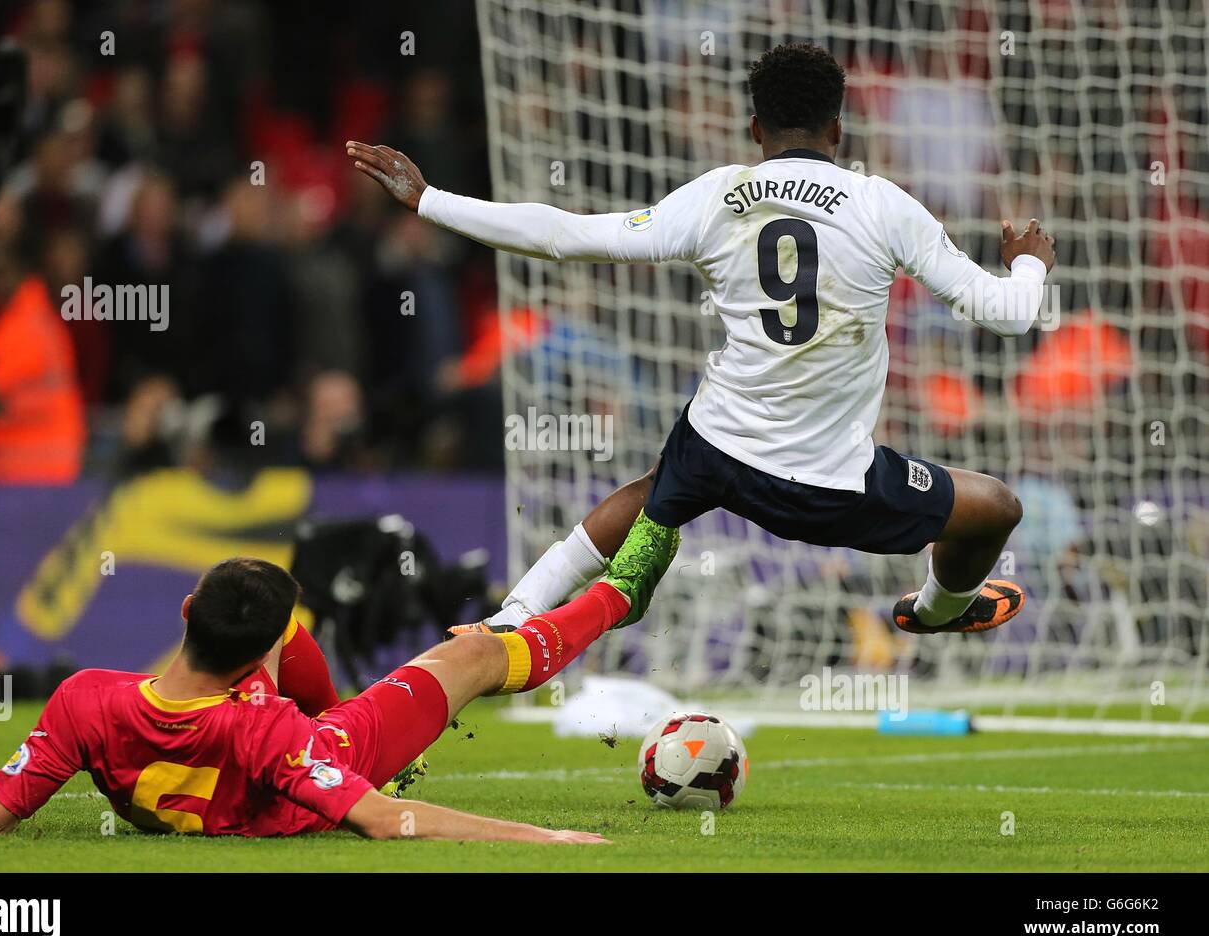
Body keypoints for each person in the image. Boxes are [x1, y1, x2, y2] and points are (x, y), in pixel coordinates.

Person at [347, 41, 1056, 637]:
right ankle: (936, 611)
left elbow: (565, 236)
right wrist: (1029, 260)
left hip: (720, 448)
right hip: (834, 478)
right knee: (995, 506)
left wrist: (430, 200)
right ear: (839, 130)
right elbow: (1005, 314)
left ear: (755, 129)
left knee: (653, 490)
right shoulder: (884, 206)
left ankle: (517, 612)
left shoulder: (718, 195)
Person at [0, 550, 671, 842]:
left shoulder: (84, 700)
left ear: (184, 612)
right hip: (326, 750)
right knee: (473, 653)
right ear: (265, 659)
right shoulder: (272, 729)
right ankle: (616, 596)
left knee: (254, 591)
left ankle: (320, 678)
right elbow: (386, 818)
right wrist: (547, 840)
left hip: (229, 747)